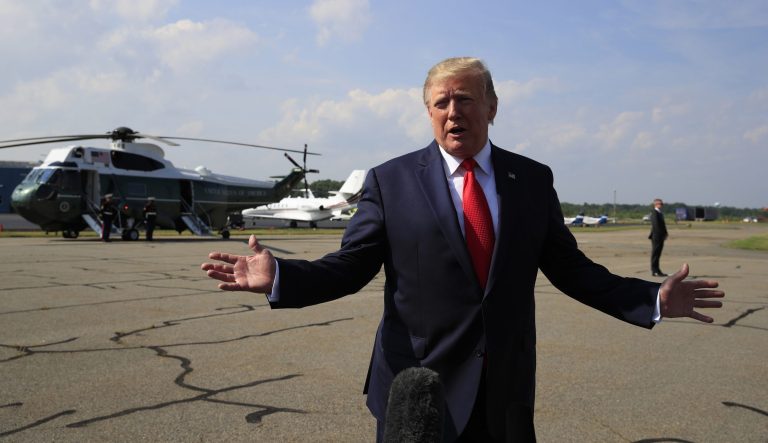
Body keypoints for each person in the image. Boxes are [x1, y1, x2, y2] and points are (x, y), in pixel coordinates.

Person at [201, 57, 724, 442]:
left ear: (492, 107)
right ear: (428, 112)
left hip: (504, 388)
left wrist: (652, 299)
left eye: (466, 99)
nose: (454, 112)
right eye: (441, 102)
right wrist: (281, 277)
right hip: (417, 386)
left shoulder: (532, 180)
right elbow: (351, 266)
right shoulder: (391, 181)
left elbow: (572, 269)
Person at [649, 198, 669, 276]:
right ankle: (654, 271)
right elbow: (656, 225)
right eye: (660, 204)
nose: (661, 205)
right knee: (655, 254)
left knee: (658, 254)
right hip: (657, 236)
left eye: (662, 204)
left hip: (660, 236)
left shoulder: (660, 213)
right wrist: (661, 235)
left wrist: (666, 233)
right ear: (656, 204)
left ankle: (658, 270)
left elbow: (663, 225)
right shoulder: (654, 212)